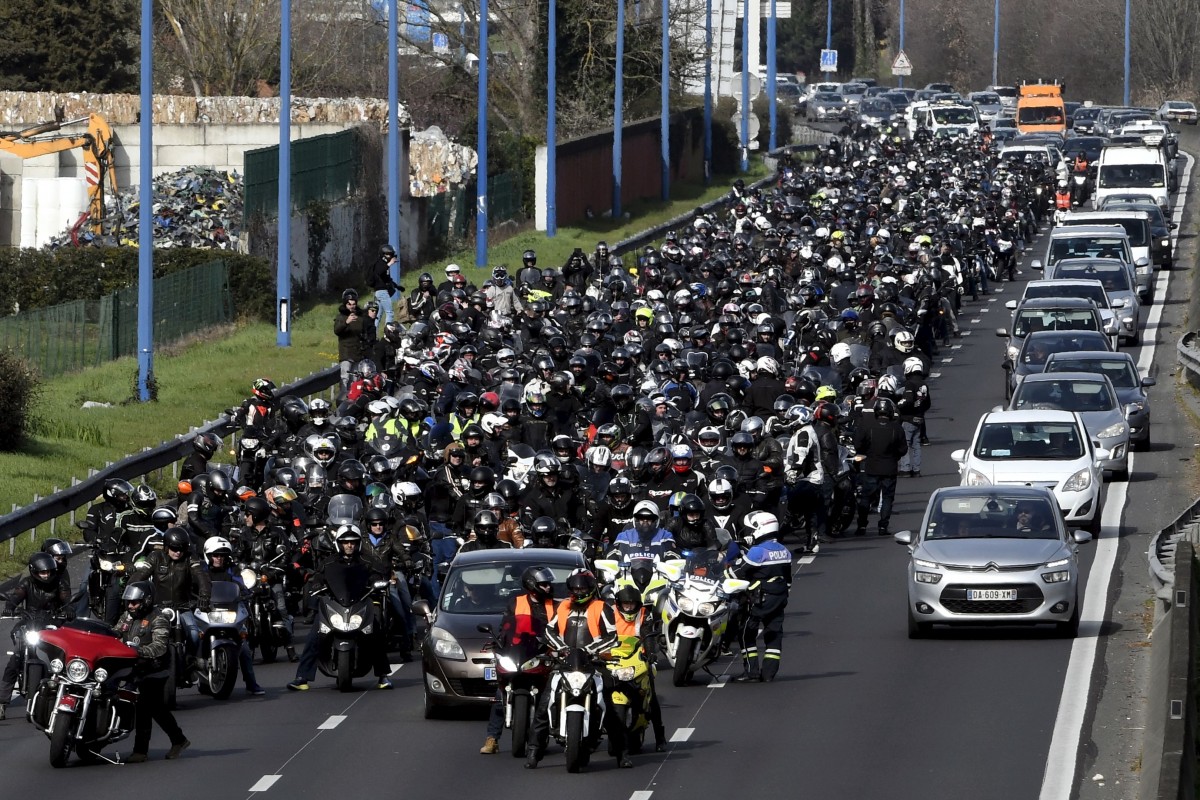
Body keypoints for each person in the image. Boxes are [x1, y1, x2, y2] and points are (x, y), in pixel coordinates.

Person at [527, 569, 622, 769]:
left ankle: (622, 753)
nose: (579, 592)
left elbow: (612, 636)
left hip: (594, 664)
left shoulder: (602, 607)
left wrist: (590, 650)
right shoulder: (563, 606)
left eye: (583, 588)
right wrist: (562, 649)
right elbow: (549, 630)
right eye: (575, 588)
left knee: (609, 704)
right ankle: (534, 750)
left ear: (591, 588)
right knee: (544, 705)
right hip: (564, 664)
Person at [288, 524, 393, 691]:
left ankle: (383, 675)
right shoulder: (328, 562)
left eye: (352, 542)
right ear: (339, 543)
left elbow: (377, 574)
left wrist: (376, 582)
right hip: (334, 605)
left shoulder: (367, 561)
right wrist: (315, 585)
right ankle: (302, 677)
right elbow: (318, 578)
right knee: (314, 636)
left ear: (358, 543)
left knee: (376, 633)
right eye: (345, 542)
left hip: (360, 604)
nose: (349, 545)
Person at [480, 566, 556, 755]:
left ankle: (562, 732)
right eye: (543, 584)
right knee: (500, 695)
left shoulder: (555, 605)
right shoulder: (515, 602)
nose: (548, 588)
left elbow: (560, 629)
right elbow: (506, 627)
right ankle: (492, 738)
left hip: (542, 654)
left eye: (548, 584)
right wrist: (498, 643)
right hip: (518, 654)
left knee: (553, 693)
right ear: (531, 585)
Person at [114, 581, 190, 762]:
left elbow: (159, 647)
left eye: (135, 602)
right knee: (152, 708)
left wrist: (137, 651)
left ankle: (144, 750)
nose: (130, 606)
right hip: (131, 669)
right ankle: (175, 740)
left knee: (147, 707)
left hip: (154, 671)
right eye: (128, 602)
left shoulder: (159, 618)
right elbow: (115, 633)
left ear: (146, 601)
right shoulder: (127, 616)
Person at [0, 552, 72, 719]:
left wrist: (69, 609)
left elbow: (67, 599)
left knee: (61, 660)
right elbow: (15, 597)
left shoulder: (60, 583)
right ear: (34, 571)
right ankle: (2, 702)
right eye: (42, 572)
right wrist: (9, 607)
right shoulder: (27, 583)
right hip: (30, 623)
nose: (45, 575)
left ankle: (64, 695)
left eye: (48, 572)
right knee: (15, 659)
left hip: (51, 624)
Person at [201, 536, 266, 695]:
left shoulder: (232, 569)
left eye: (222, 555)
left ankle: (251, 683)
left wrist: (248, 592)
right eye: (216, 555)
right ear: (208, 556)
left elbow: (241, 584)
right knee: (191, 636)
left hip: (229, 611)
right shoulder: (201, 570)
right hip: (206, 611)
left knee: (243, 648)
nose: (219, 558)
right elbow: (193, 585)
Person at [732, 511, 792, 683]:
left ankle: (751, 672)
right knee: (774, 635)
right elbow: (788, 580)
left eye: (751, 529)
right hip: (779, 599)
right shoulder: (784, 551)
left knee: (746, 633)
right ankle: (768, 674)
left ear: (759, 529)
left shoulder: (757, 552)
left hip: (759, 600)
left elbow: (737, 572)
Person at [852, 397, 908, 536]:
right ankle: (883, 526)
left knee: (866, 497)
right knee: (888, 498)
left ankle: (862, 525)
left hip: (872, 466)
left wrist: (867, 452)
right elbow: (903, 449)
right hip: (889, 467)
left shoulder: (867, 425)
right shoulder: (896, 428)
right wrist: (893, 456)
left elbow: (858, 445)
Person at [334, 289, 366, 388]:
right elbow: (337, 331)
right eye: (349, 304)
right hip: (346, 352)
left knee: (355, 379)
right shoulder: (341, 317)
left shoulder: (360, 317)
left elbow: (363, 332)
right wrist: (346, 322)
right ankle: (343, 397)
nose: (351, 306)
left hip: (357, 352)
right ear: (345, 304)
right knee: (345, 377)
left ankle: (353, 398)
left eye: (353, 304)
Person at [369, 244, 403, 324]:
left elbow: (387, 279)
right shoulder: (380, 263)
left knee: (378, 315)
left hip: (380, 292)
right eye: (388, 254)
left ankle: (374, 334)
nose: (390, 257)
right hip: (381, 292)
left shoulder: (384, 265)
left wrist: (397, 286)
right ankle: (387, 332)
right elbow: (379, 272)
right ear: (383, 254)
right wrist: (390, 263)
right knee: (390, 313)